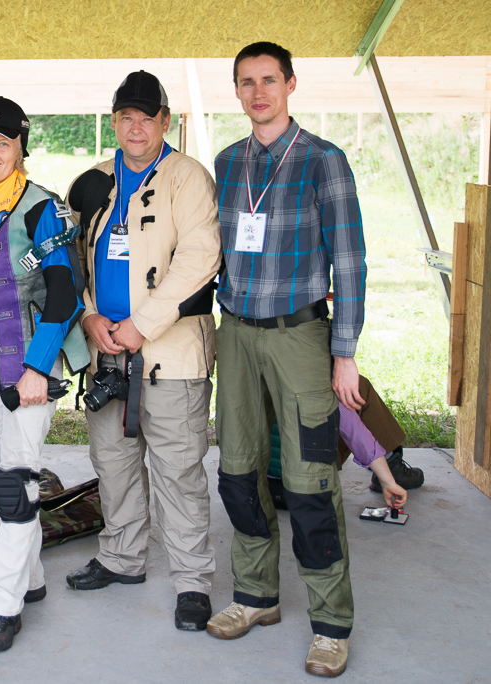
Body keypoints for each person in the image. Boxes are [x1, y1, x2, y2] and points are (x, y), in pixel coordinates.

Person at [210, 42, 366, 678]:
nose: (257, 93)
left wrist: (345, 352)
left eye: (268, 80)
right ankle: (256, 597)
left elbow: (350, 263)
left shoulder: (324, 161)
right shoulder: (226, 163)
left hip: (301, 336)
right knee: (239, 470)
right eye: (246, 82)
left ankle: (331, 624)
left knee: (309, 481)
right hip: (236, 334)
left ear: (291, 84)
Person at [64, 71, 221, 631]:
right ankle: (122, 556)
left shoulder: (188, 178)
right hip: (107, 349)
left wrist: (142, 324)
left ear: (166, 121)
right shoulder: (91, 183)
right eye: (125, 117)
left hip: (172, 356)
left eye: (146, 117)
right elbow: (69, 259)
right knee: (114, 463)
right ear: (114, 121)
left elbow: (200, 259)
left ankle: (192, 579)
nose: (136, 127)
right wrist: (88, 314)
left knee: (178, 470)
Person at [0, 97, 91, 652]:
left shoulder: (42, 208)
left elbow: (64, 294)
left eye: (3, 143)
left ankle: (3, 606)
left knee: (15, 477)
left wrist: (38, 367)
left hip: (33, 349)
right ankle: (29, 577)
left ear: (20, 148)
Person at [268, 374, 419, 510]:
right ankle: (391, 464)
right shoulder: (321, 381)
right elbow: (356, 433)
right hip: (310, 491)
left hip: (258, 489)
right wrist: (388, 482)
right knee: (356, 387)